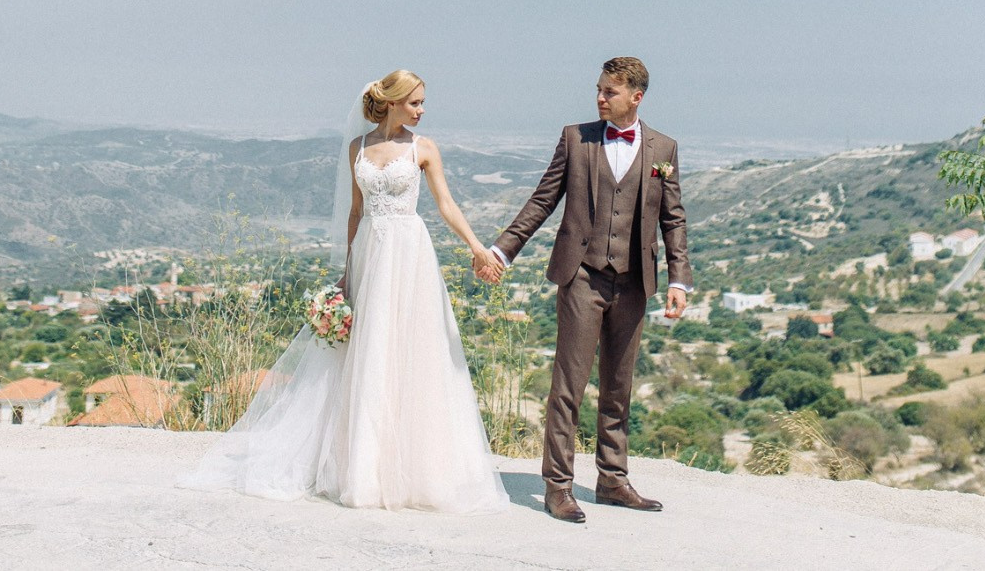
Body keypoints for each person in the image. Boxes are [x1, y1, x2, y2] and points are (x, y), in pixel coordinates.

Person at [181, 70, 508, 512]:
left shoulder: (424, 148)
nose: (421, 110)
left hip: (409, 254)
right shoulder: (358, 147)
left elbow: (446, 204)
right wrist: (348, 271)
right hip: (370, 253)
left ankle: (415, 468)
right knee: (368, 352)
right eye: (414, 102)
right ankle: (363, 468)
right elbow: (356, 212)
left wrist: (477, 248)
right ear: (392, 102)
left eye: (422, 102)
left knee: (410, 350)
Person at [482, 56, 692, 523]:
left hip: (634, 282)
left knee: (619, 385)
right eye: (598, 89)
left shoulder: (664, 148)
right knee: (568, 386)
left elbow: (673, 218)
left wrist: (679, 278)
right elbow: (543, 199)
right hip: (582, 276)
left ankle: (612, 480)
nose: (599, 97)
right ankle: (557, 486)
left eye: (609, 92)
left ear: (636, 97)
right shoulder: (575, 139)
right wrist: (503, 250)